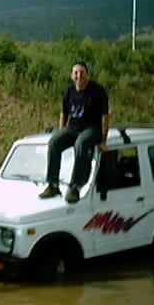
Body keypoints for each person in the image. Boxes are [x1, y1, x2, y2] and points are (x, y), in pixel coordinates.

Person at [39, 61, 111, 203]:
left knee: (81, 143)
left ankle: (75, 187)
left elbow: (105, 116)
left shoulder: (97, 91)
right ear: (72, 76)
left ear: (87, 75)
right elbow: (64, 114)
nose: (79, 76)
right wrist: (62, 132)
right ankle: (52, 185)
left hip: (92, 128)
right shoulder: (69, 90)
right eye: (76, 73)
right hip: (73, 128)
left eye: (82, 72)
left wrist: (103, 140)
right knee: (54, 142)